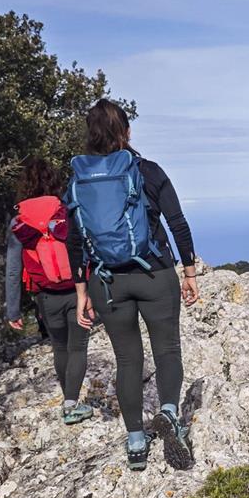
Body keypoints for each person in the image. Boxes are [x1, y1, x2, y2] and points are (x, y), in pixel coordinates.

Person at [65, 99, 199, 471]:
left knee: (127, 359)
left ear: (90, 136)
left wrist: (81, 292)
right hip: (154, 274)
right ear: (127, 131)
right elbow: (177, 223)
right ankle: (169, 413)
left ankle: (136, 442)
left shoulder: (78, 180)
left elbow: (74, 240)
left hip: (107, 282)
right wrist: (189, 272)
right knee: (167, 349)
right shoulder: (147, 171)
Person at [5, 157, 93, 425]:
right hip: (77, 290)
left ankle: (69, 402)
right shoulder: (67, 210)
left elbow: (13, 269)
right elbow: (88, 250)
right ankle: (71, 405)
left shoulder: (19, 221)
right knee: (78, 347)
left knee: (60, 347)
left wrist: (13, 310)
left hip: (46, 297)